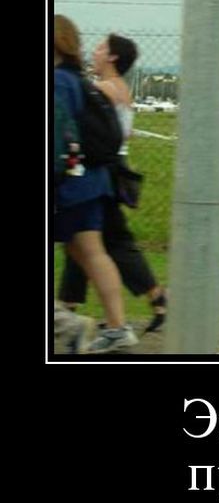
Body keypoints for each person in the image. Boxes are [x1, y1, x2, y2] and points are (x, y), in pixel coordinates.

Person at [58, 33, 167, 334]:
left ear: (113, 57)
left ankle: (155, 297)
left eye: (100, 48)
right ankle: (68, 306)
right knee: (87, 240)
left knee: (105, 241)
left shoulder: (103, 89)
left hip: (101, 170)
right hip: (113, 168)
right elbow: (125, 133)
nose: (94, 52)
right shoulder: (121, 89)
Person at [53, 15, 138, 353]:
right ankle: (117, 328)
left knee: (90, 253)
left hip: (69, 184)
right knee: (92, 253)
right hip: (92, 180)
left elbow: (56, 137)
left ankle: (67, 325)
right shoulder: (79, 80)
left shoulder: (59, 82)